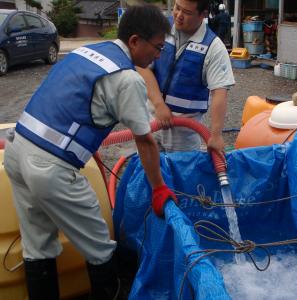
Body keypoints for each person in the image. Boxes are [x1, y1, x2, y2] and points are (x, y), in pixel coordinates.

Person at [3, 4, 177, 300]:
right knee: (100, 247)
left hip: (16, 151)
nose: (158, 56)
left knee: (37, 246)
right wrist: (159, 188)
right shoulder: (127, 79)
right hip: (51, 169)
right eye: (158, 47)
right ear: (135, 41)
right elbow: (145, 140)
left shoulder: (88, 51)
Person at [137, 0, 235, 153]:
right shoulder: (160, 28)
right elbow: (142, 67)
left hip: (184, 133)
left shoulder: (214, 47)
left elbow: (219, 92)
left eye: (187, 12)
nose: (178, 15)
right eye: (177, 8)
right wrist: (159, 104)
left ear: (203, 14)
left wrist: (215, 135)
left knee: (181, 173)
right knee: (147, 172)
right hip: (150, 120)